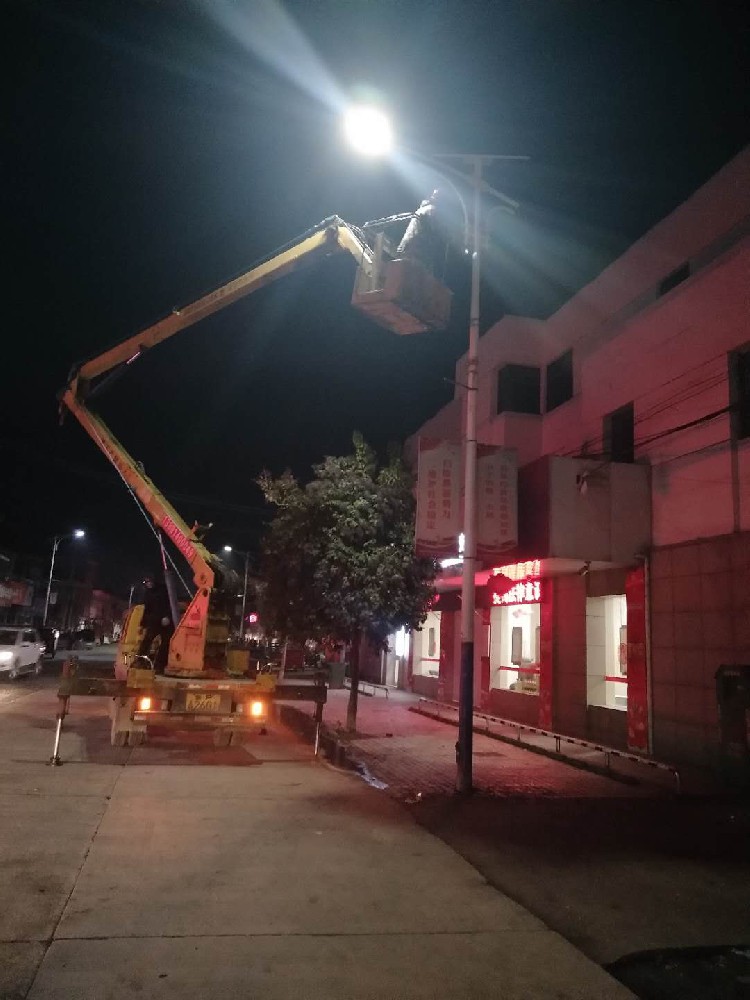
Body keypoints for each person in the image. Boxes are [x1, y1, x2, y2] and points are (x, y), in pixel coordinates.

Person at [136, 573, 173, 673]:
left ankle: (160, 665)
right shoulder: (147, 593)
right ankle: (140, 661)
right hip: (153, 621)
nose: (148, 584)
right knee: (147, 640)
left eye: (149, 581)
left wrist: (167, 616)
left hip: (164, 621)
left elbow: (169, 604)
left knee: (166, 642)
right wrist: (142, 625)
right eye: (146, 582)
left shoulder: (163, 590)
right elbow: (146, 610)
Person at [396, 189, 440, 269]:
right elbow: (432, 231)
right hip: (413, 250)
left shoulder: (426, 209)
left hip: (409, 248)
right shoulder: (430, 209)